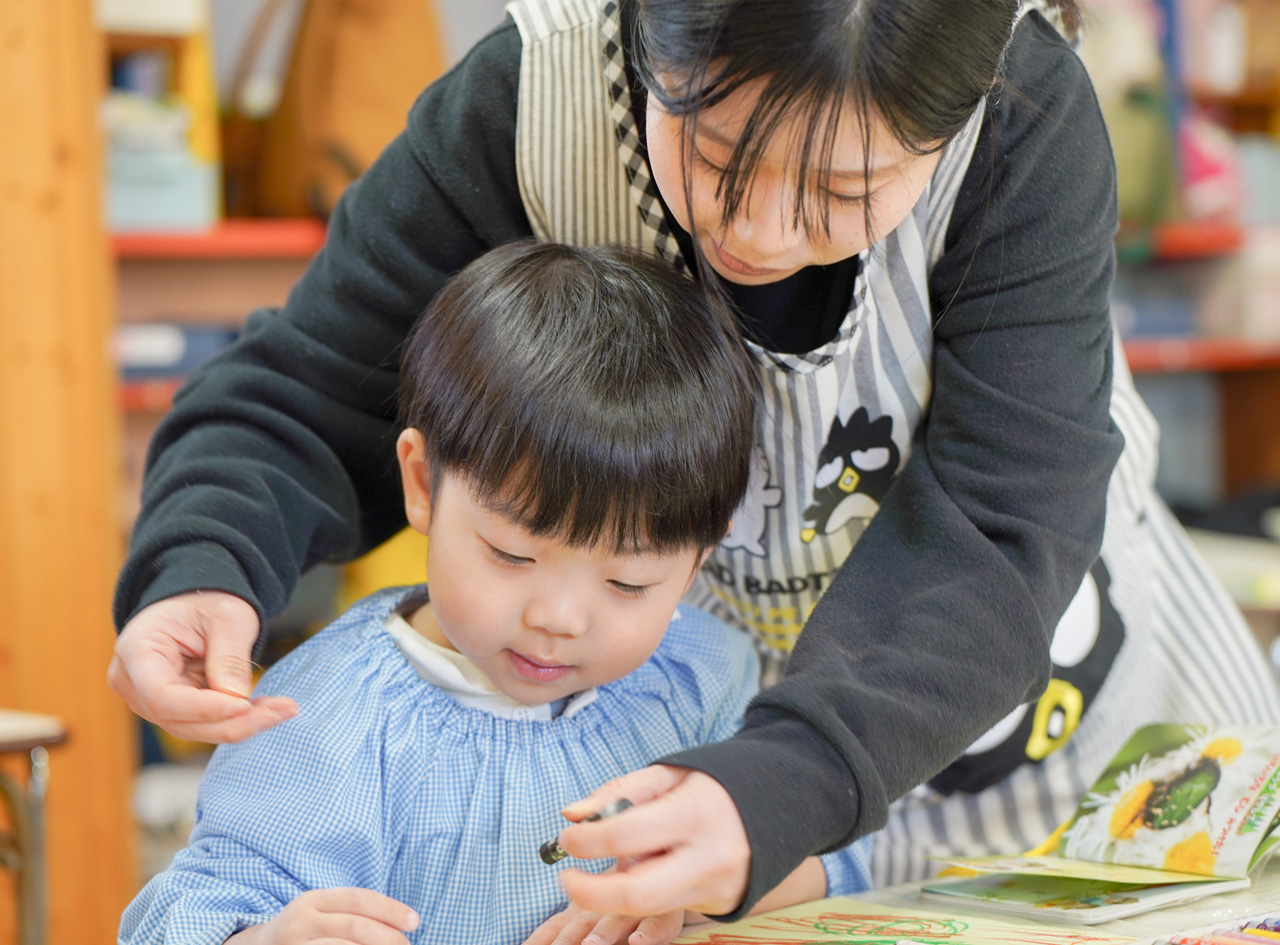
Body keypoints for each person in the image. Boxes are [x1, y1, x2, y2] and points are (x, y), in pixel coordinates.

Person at [110, 0, 1280, 924]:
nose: (759, 233)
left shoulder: (1023, 123)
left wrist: (785, 778)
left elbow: (997, 513)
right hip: (699, 725)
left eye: (844, 190)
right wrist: (205, 558)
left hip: (1058, 695)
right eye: (711, 149)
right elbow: (316, 387)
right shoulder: (535, 90)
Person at [118, 241, 875, 945]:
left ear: (698, 560)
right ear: (423, 483)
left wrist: (711, 885)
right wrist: (268, 937)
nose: (558, 618)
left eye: (628, 580)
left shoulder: (703, 678)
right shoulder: (327, 720)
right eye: (513, 553)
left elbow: (838, 872)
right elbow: (184, 916)